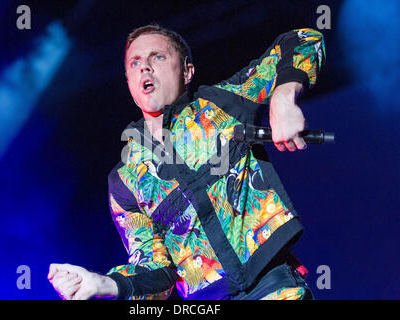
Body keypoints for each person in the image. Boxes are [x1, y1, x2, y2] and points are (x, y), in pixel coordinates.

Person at [48, 24, 325, 300]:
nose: (145, 67)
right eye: (135, 63)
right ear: (129, 81)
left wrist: (283, 97)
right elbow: (156, 271)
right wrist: (103, 283)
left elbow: (303, 39)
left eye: (158, 57)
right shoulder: (125, 180)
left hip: (273, 287)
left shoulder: (222, 103)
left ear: (187, 71)